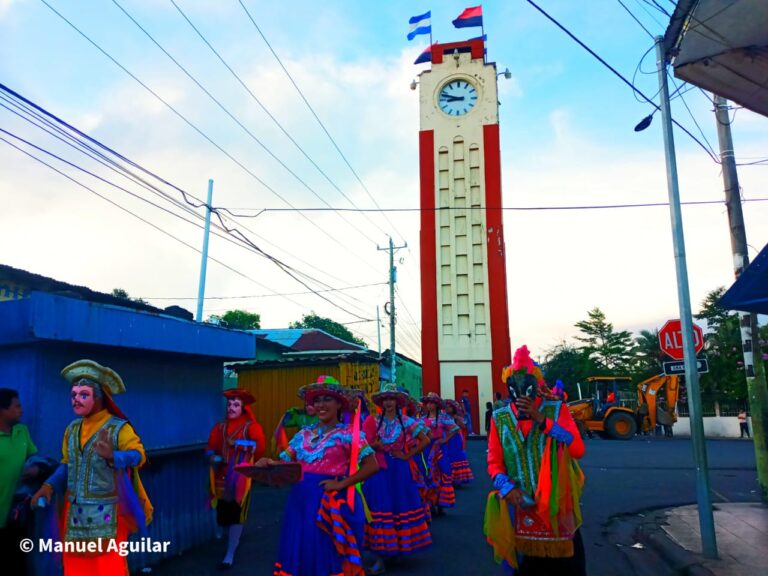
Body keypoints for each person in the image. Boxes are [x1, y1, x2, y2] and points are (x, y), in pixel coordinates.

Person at [32, 359, 153, 576]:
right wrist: (48, 486)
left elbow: (138, 456)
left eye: (83, 394)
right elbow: (68, 463)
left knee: (109, 568)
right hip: (74, 513)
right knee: (75, 567)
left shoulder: (118, 428)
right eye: (73, 395)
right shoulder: (71, 429)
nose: (76, 400)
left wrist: (113, 456)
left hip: (108, 512)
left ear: (99, 398)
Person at [260, 375, 379, 576]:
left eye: (327, 399)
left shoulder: (349, 434)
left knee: (325, 551)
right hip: (300, 501)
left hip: (328, 503)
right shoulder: (302, 435)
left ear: (339, 404)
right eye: (317, 400)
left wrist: (342, 485)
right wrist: (269, 464)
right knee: (301, 545)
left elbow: (372, 465)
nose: (321, 405)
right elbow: (286, 464)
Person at [486, 346, 586, 576]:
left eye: (526, 383)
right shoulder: (499, 418)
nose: (520, 390)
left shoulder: (556, 410)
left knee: (567, 568)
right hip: (521, 506)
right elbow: (494, 463)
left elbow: (577, 449)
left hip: (557, 506)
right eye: (515, 384)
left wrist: (542, 420)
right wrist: (507, 488)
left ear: (536, 384)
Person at [362, 384, 431, 573]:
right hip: (379, 471)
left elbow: (426, 440)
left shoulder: (407, 422)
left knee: (399, 509)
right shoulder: (373, 421)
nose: (388, 402)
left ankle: (397, 551)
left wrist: (408, 456)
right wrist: (374, 446)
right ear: (381, 403)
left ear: (398, 402)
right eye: (385, 399)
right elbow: (364, 446)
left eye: (391, 399)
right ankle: (380, 558)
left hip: (399, 471)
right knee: (379, 510)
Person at [207, 388, 266, 569]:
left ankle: (230, 553)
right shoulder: (220, 427)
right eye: (229, 404)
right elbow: (210, 448)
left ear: (243, 408)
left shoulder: (251, 427)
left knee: (236, 514)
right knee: (223, 512)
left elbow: (260, 449)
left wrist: (239, 444)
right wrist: (212, 456)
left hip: (240, 477)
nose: (231, 408)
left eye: (236, 405)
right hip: (220, 476)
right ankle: (230, 542)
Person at [0, 388, 40, 576]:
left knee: (18, 562)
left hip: (16, 515)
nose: (21, 410)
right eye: (17, 406)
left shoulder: (22, 432)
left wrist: (36, 469)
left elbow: (33, 458)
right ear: (2, 410)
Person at [420, 392, 459, 515]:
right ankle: (430, 503)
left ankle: (441, 503)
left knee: (441, 474)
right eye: (428, 403)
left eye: (432, 403)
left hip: (439, 450)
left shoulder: (443, 418)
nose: (429, 405)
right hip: (426, 449)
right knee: (427, 475)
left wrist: (445, 439)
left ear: (436, 405)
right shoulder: (422, 419)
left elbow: (455, 429)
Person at [444, 400, 474, 485]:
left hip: (456, 439)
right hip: (447, 438)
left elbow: (464, 427)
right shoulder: (443, 417)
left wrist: (457, 420)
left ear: (453, 408)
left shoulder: (457, 418)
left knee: (457, 457)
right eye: (446, 407)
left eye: (449, 407)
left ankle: (458, 479)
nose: (447, 408)